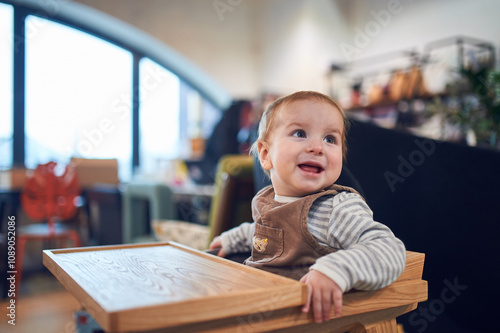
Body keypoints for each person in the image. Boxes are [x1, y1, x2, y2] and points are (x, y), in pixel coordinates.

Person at [209, 91, 406, 324]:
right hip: (262, 308)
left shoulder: (336, 208)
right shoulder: (268, 200)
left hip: (309, 319)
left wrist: (337, 271)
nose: (317, 147)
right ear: (265, 154)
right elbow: (266, 233)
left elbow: (389, 249)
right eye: (300, 133)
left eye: (330, 139)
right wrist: (233, 239)